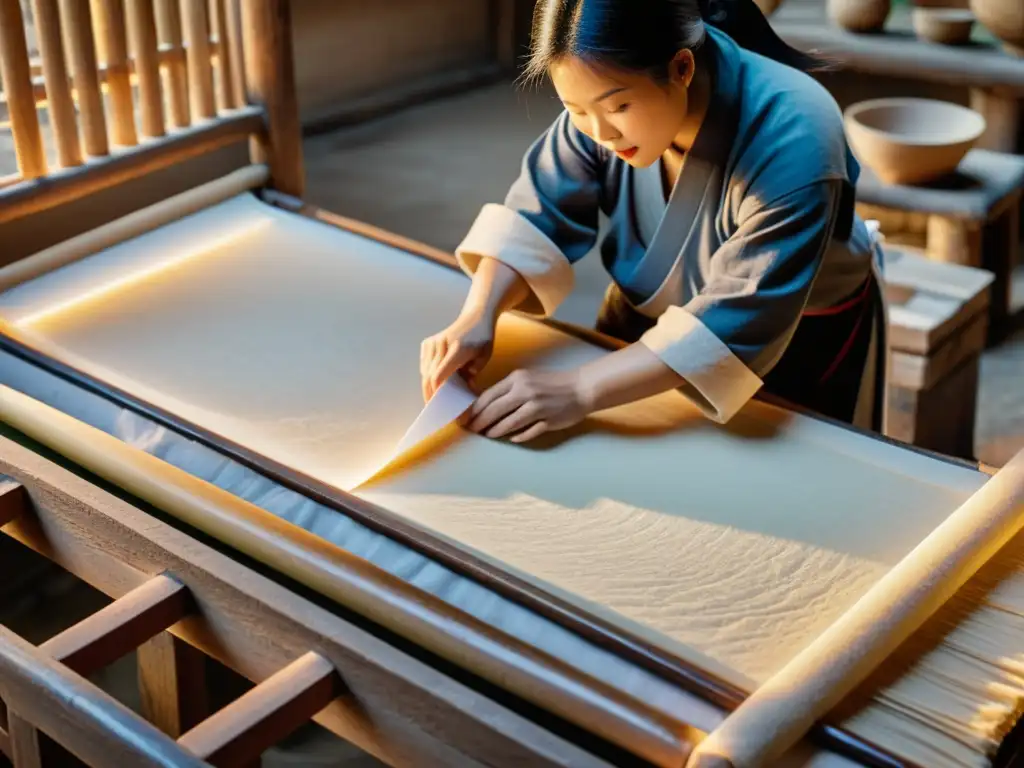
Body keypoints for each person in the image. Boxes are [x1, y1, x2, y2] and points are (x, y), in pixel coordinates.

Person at [420, 0, 887, 445]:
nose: (601, 134)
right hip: (646, 314)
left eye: (618, 107)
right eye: (575, 109)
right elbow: (540, 213)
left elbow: (739, 317)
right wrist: (478, 314)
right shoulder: (599, 105)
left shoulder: (797, 131)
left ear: (682, 68)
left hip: (785, 337)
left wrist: (580, 389)